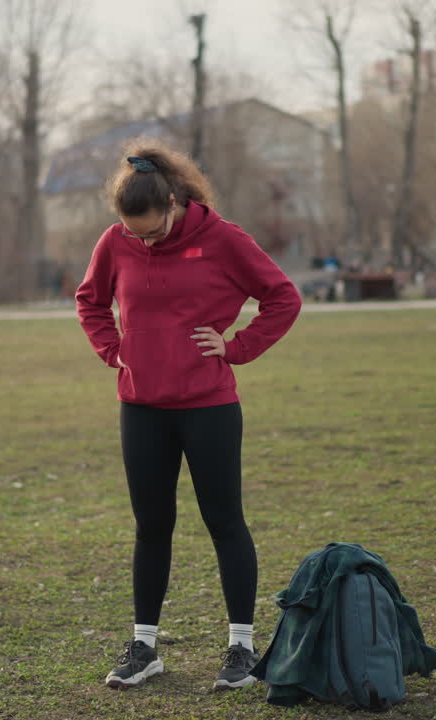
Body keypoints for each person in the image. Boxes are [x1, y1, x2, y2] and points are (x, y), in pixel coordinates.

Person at [76, 142, 302, 692]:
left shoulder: (223, 239)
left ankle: (241, 649)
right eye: (136, 233)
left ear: (174, 204)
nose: (144, 240)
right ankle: (145, 648)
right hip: (142, 407)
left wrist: (237, 346)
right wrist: (114, 350)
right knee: (152, 527)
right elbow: (89, 301)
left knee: (225, 523)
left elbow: (283, 298)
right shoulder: (116, 241)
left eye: (153, 231)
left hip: (209, 407)